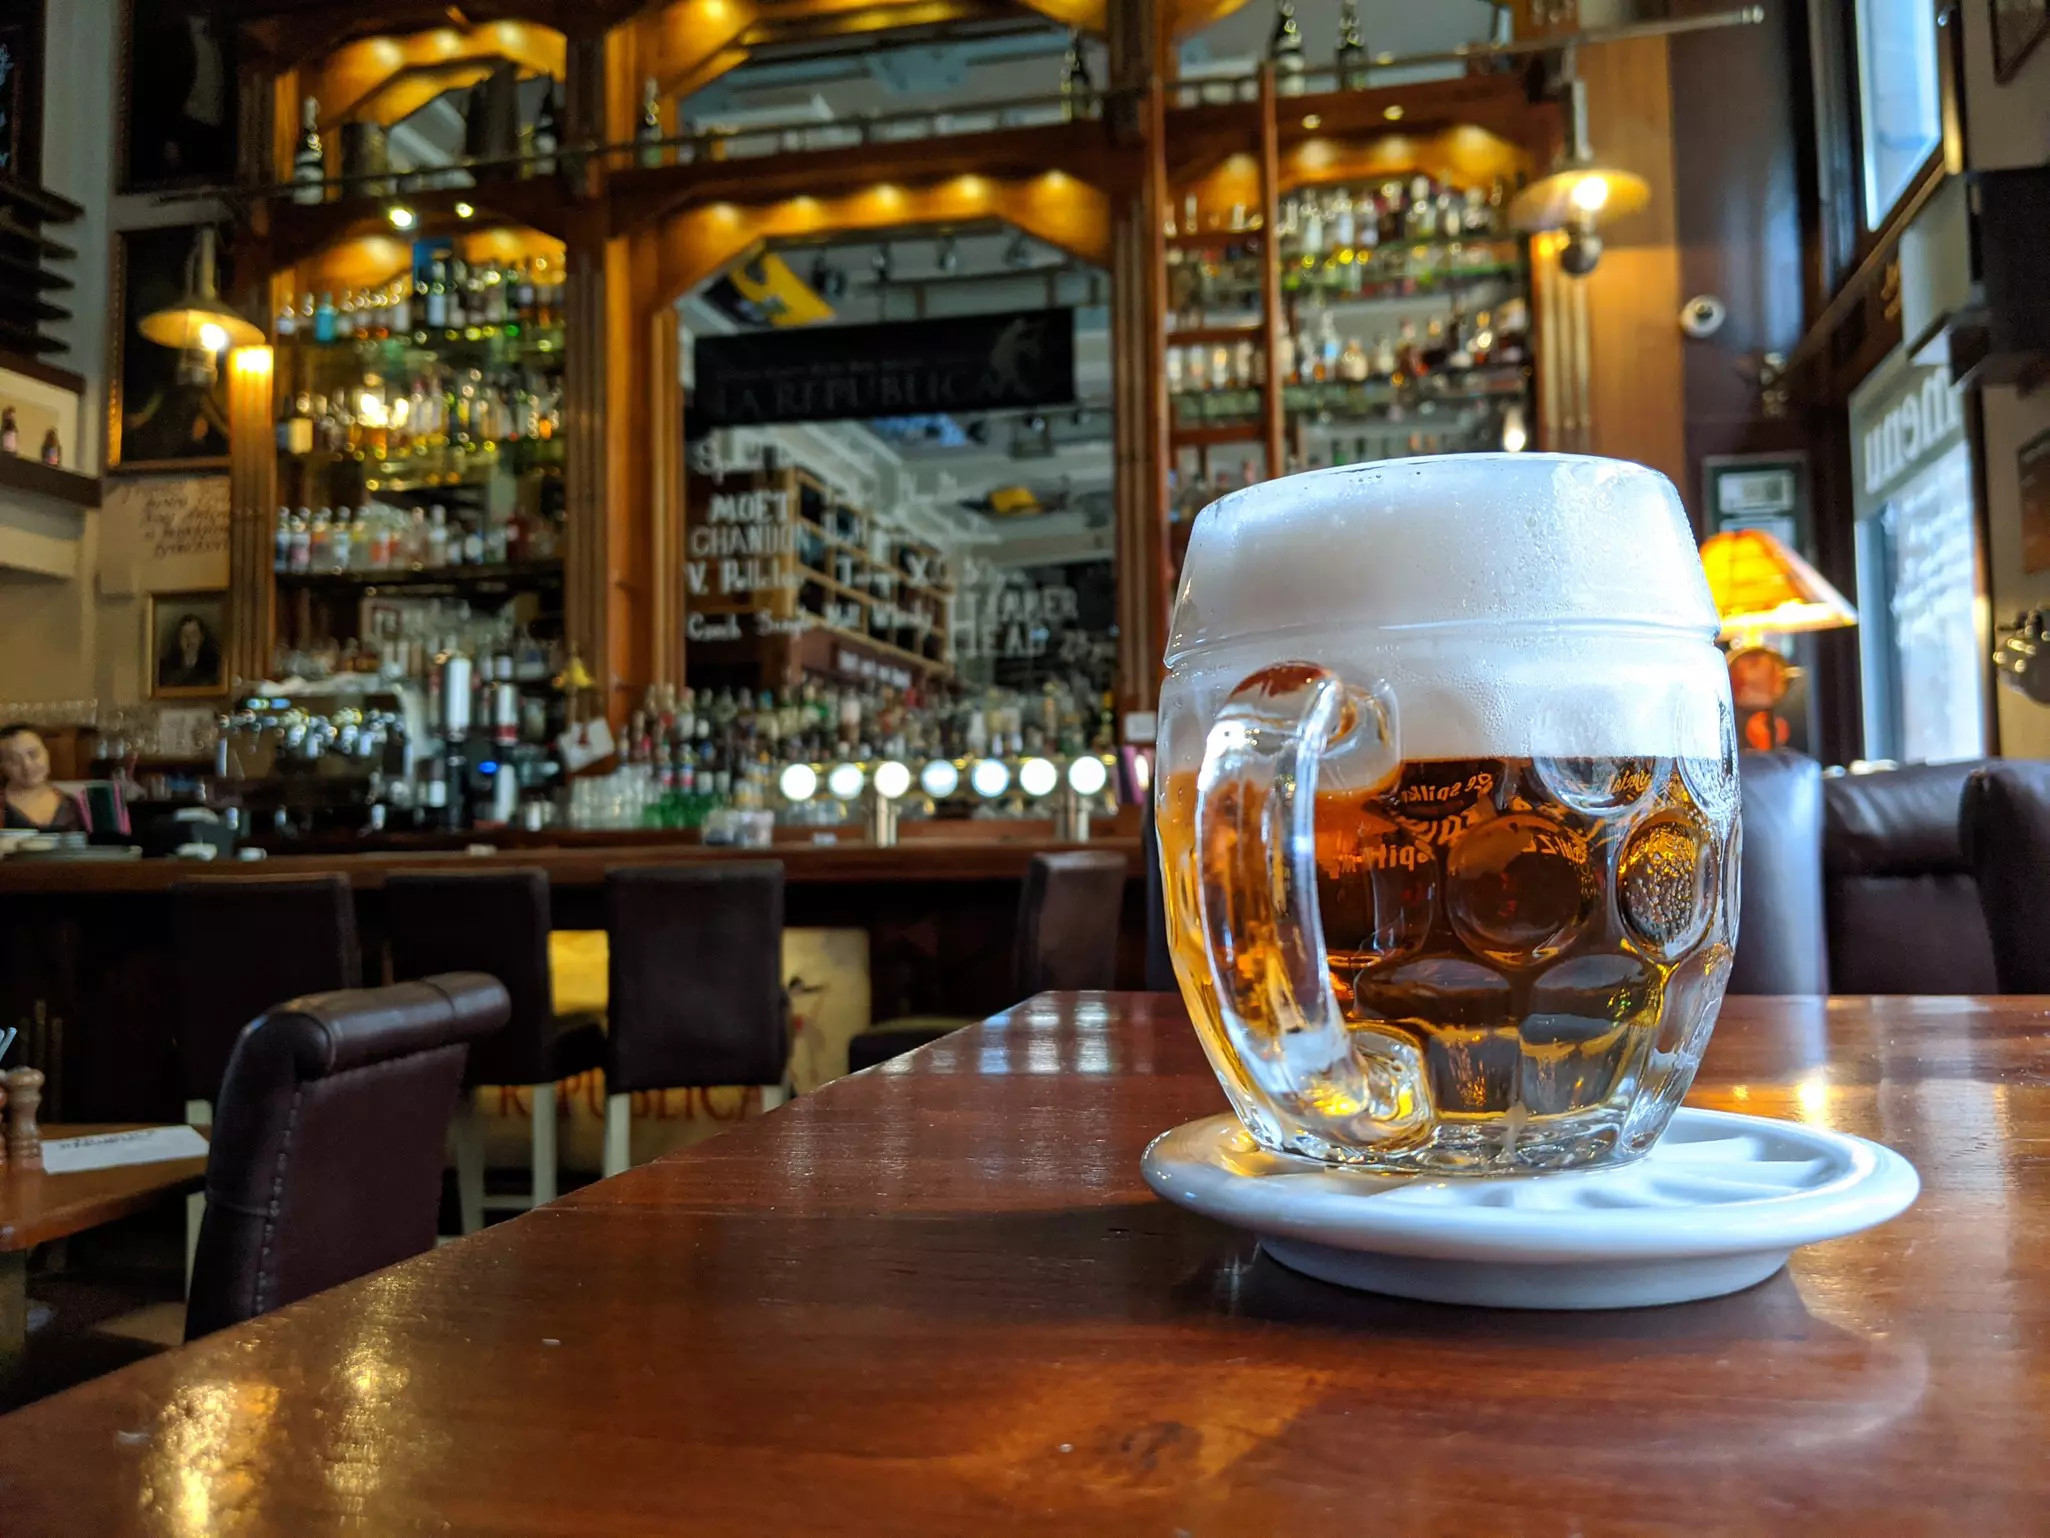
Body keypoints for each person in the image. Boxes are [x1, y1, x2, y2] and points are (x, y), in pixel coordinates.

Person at [0, 724, 85, 832]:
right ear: (2, 766)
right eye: (14, 760)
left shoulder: (71, 805)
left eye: (33, 754)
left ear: (47, 752)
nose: (27, 765)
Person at [158, 612, 222, 690]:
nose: (189, 639)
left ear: (202, 638)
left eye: (194, 634)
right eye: (185, 634)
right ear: (179, 639)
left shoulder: (214, 666)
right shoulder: (166, 667)